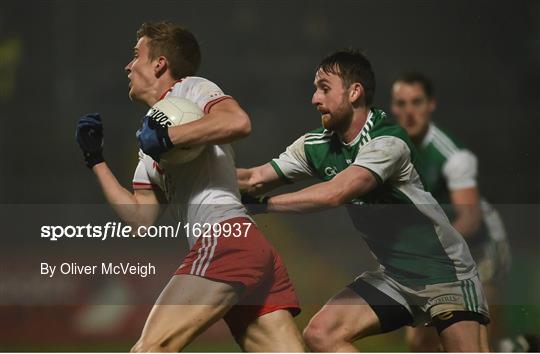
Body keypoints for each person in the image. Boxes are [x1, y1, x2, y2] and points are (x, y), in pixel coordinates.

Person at [238, 49, 490, 352]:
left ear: (355, 92)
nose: (314, 99)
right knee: (320, 335)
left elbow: (337, 192)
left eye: (324, 88)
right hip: (395, 279)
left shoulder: (387, 141)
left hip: (445, 275)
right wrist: (192, 174)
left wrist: (264, 205)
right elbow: (253, 177)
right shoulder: (315, 145)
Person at [75, 21, 304, 352]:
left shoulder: (190, 89)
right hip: (245, 245)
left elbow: (238, 122)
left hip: (225, 238)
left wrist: (168, 137)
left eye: (135, 55)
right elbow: (141, 217)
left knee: (150, 349)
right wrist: (95, 161)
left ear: (160, 64)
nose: (128, 65)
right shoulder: (148, 142)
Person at [390, 72, 528, 352]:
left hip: (479, 247)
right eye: (401, 104)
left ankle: (512, 348)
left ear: (431, 105)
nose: (409, 112)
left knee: (478, 342)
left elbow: (470, 219)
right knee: (419, 341)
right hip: (436, 251)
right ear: (393, 108)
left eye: (416, 102)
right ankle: (517, 348)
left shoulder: (452, 155)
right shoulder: (393, 149)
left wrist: (424, 247)